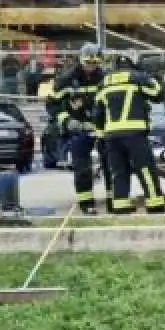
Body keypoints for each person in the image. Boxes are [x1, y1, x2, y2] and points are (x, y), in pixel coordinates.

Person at [93, 52, 165, 214]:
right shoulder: (138, 77)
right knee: (145, 169)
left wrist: (100, 137)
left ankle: (120, 205)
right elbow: (158, 95)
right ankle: (155, 204)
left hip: (111, 136)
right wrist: (153, 77)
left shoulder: (104, 82)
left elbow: (98, 114)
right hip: (135, 133)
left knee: (119, 171)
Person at [45, 43, 112, 215]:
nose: (91, 67)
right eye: (88, 63)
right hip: (79, 129)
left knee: (111, 165)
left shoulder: (105, 79)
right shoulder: (66, 80)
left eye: (94, 63)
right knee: (82, 168)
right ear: (81, 61)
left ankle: (114, 201)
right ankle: (86, 204)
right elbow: (52, 105)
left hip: (102, 128)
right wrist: (66, 120)